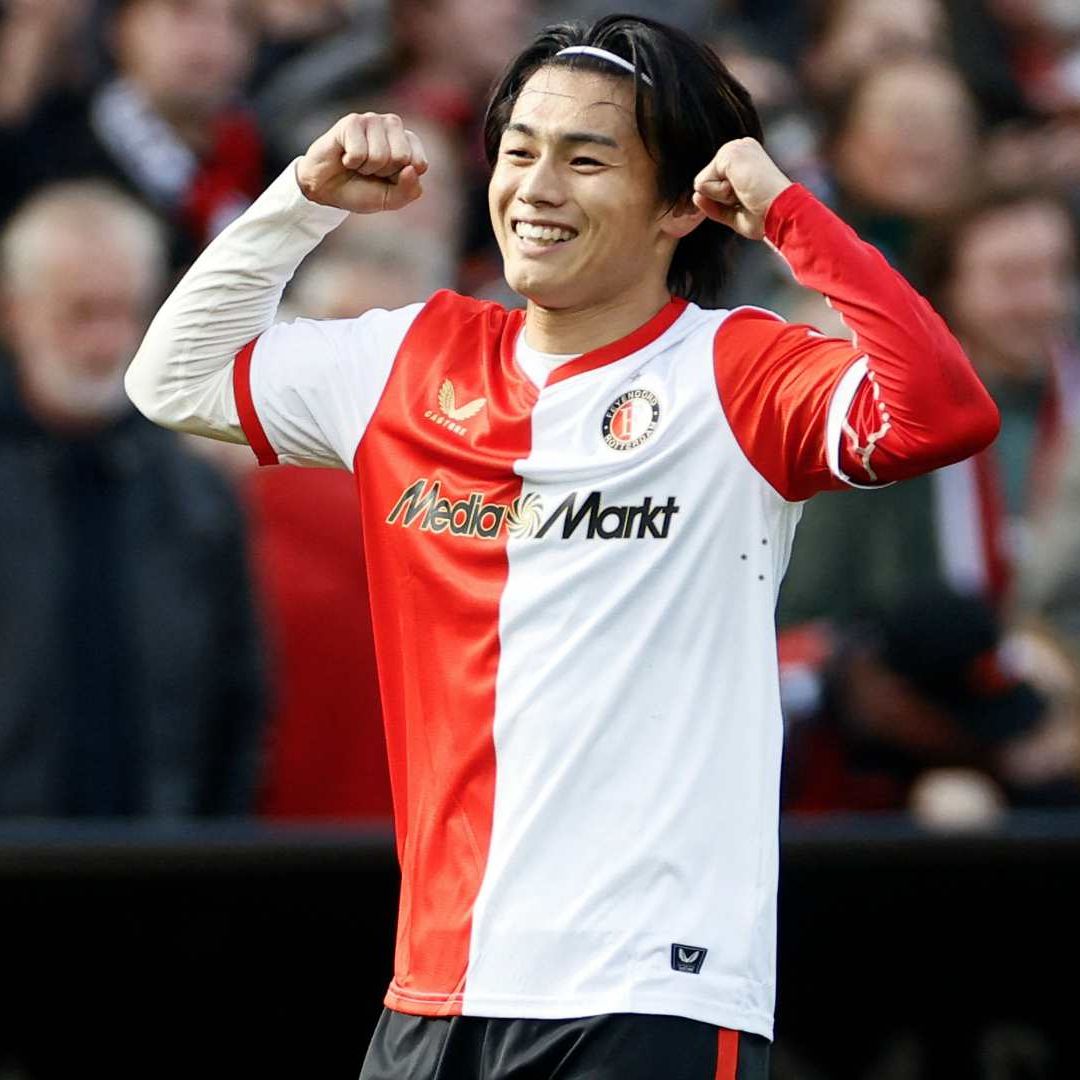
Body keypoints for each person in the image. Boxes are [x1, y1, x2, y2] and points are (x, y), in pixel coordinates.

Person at [124, 14, 999, 1078]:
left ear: (681, 203)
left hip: (651, 986)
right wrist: (301, 201)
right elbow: (170, 380)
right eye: (519, 151)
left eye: (586, 160)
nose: (535, 188)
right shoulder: (409, 356)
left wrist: (791, 216)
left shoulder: (737, 372)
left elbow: (943, 413)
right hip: (437, 985)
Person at [0, 180, 266, 816]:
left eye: (124, 312)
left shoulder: (197, 494)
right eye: (80, 312)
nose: (105, 342)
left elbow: (239, 697)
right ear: (13, 311)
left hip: (159, 854)